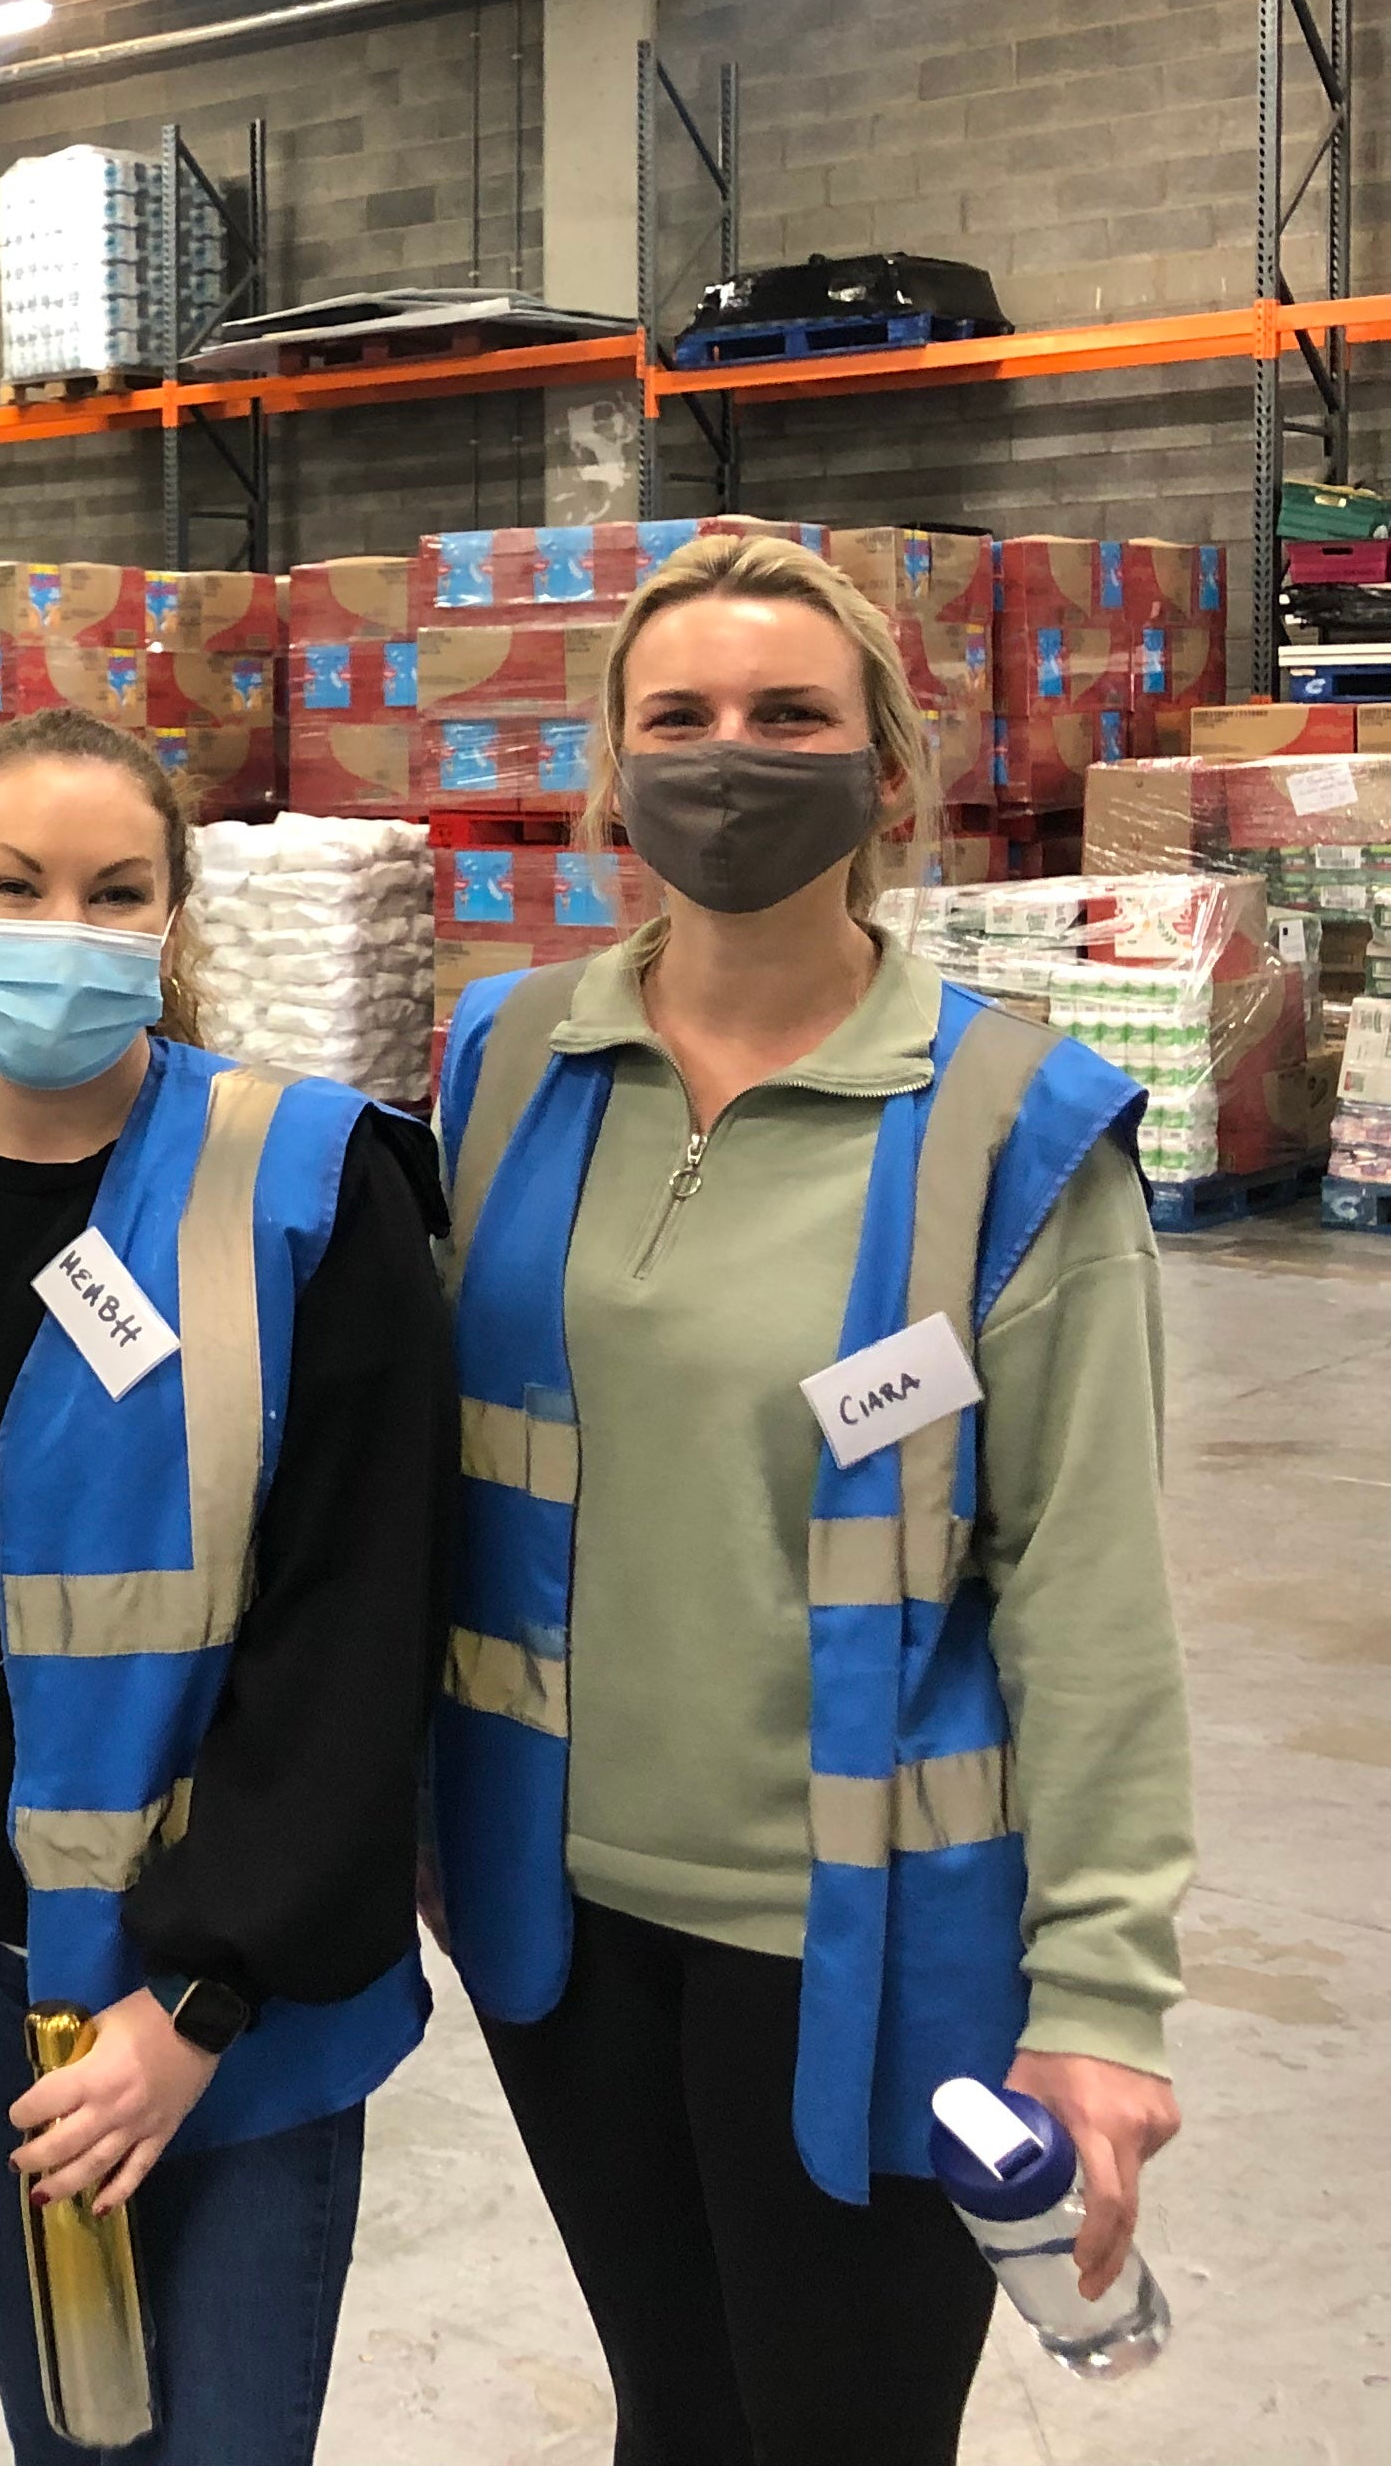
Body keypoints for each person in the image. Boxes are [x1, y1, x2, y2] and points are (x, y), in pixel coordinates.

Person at [432, 531, 1189, 2466]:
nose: (729, 758)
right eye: (678, 717)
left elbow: (1090, 1597)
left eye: (789, 715)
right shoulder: (507, 1062)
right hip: (557, 1921)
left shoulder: (1017, 1131)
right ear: (612, 772)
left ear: (887, 770)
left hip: (874, 1948)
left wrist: (1103, 1997)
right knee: (676, 2411)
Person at [0, 706, 453, 2465]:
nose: (68, 929)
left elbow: (360, 1628)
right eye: (18, 886)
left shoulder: (309, 1188)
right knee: (65, 2435)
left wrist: (198, 2001)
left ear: (174, 919)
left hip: (226, 1992)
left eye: (117, 892)